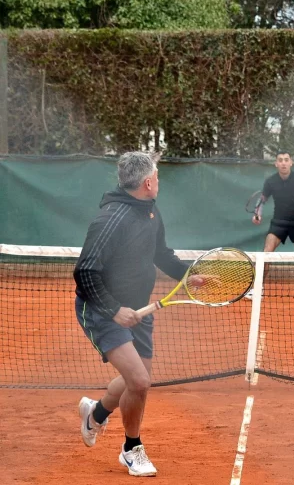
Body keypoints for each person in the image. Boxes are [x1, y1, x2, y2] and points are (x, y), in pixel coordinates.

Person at [74, 152, 212, 477]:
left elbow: (160, 252)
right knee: (139, 380)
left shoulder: (149, 211)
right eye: (158, 175)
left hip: (138, 308)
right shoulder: (111, 220)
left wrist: (185, 274)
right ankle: (130, 449)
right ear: (148, 182)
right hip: (100, 309)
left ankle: (95, 414)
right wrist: (114, 310)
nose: (159, 180)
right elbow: (84, 273)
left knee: (134, 381)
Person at [246, 150, 294, 302]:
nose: (283, 163)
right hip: (278, 223)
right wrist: (257, 213)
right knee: (265, 254)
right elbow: (262, 201)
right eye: (280, 160)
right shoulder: (270, 181)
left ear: (291, 162)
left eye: (286, 160)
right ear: (276, 164)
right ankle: (257, 289)